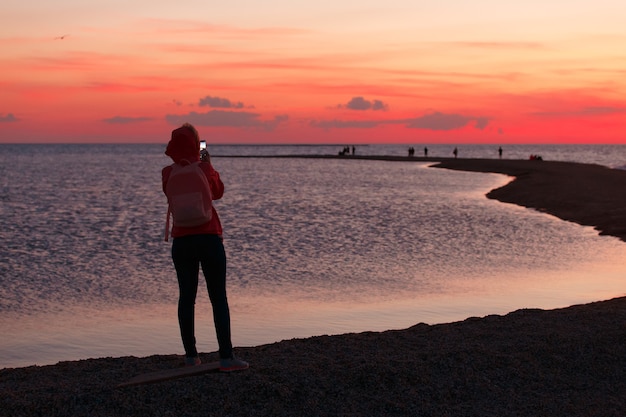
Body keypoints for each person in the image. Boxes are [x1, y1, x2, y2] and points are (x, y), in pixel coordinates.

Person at [162, 123, 249, 372]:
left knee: (186, 299)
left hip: (181, 242)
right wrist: (207, 163)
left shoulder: (167, 173)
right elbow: (218, 192)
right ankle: (226, 357)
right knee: (218, 298)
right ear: (196, 145)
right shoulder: (204, 167)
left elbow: (169, 195)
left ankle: (191, 356)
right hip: (209, 238)